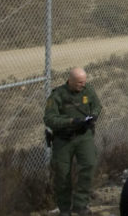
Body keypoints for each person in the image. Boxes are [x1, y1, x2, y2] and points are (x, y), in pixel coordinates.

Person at [43, 67, 102, 215]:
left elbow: (97, 105)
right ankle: (64, 208)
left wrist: (93, 116)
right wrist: (71, 121)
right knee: (62, 174)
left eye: (84, 81)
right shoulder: (58, 95)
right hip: (63, 139)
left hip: (84, 136)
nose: (82, 85)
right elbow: (49, 119)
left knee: (89, 164)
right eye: (79, 83)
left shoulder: (87, 90)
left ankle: (81, 204)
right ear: (70, 81)